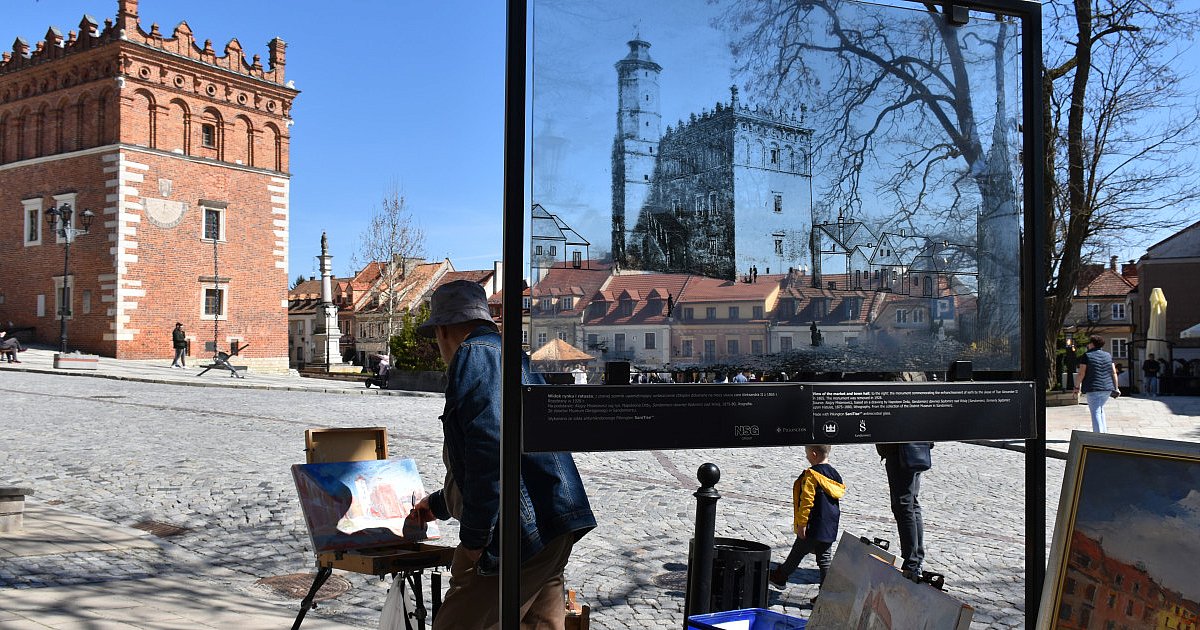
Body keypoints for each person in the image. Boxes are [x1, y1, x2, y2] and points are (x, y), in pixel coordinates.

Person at [407, 280, 596, 629]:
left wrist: (474, 540)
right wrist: (436, 505)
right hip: (551, 521)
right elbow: (500, 456)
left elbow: (490, 450)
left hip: (522, 531)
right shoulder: (506, 354)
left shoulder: (474, 354)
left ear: (444, 329)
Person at [769, 445, 845, 590]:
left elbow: (807, 500)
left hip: (813, 524)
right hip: (829, 525)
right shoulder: (835, 475)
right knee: (824, 559)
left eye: (807, 454)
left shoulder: (812, 475)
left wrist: (802, 524)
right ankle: (826, 593)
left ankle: (781, 576)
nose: (806, 457)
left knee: (797, 552)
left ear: (814, 454)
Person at [876, 442, 932, 579]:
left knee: (904, 506)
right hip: (916, 447)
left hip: (901, 449)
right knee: (911, 504)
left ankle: (911, 564)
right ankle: (916, 560)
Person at [1075, 334, 1119, 433]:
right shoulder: (1108, 355)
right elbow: (1114, 372)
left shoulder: (1087, 355)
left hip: (1093, 388)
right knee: (1100, 410)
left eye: (1089, 343)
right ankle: (1104, 433)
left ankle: (1098, 436)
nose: (1088, 345)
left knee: (1095, 412)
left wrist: (1076, 387)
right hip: (1107, 388)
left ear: (1092, 344)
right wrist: (1116, 387)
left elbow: (1081, 373)